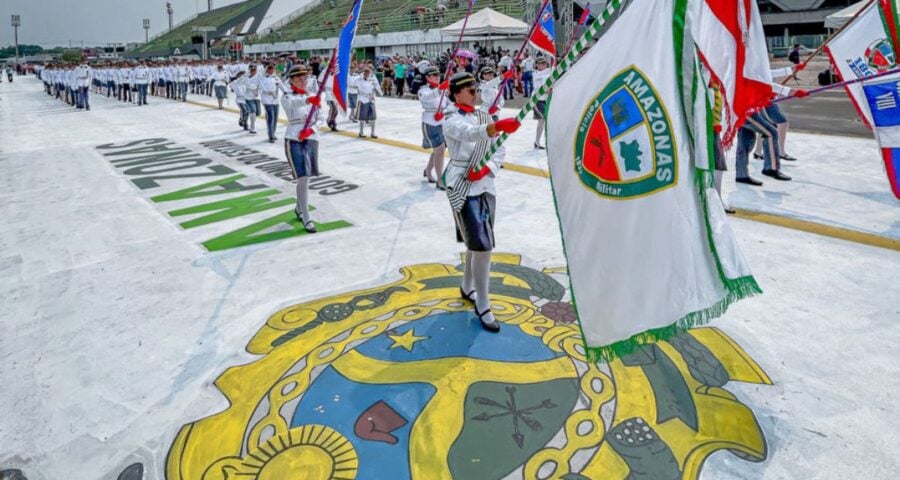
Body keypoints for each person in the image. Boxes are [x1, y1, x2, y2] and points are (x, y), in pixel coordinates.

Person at [441, 72, 521, 332]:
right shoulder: (451, 120)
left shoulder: (485, 117)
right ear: (457, 94)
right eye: (470, 90)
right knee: (483, 246)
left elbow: (499, 149)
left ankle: (467, 287)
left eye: (476, 89)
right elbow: (471, 134)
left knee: (477, 242)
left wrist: (488, 168)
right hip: (463, 184)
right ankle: (483, 303)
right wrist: (496, 126)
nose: (476, 94)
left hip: (485, 184)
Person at [282, 66, 322, 233]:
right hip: (294, 138)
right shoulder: (287, 96)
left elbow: (321, 118)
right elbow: (291, 105)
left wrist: (311, 130)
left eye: (304, 78)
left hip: (311, 137)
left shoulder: (313, 96)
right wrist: (307, 101)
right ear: (291, 80)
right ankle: (306, 215)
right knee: (303, 177)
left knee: (307, 177)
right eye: (298, 78)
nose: (302, 81)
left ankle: (299, 207)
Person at [418, 66, 449, 186]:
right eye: (434, 75)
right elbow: (426, 98)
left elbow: (449, 104)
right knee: (439, 150)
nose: (438, 77)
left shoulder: (443, 90)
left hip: (442, 121)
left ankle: (428, 170)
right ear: (427, 77)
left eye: (438, 75)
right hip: (430, 122)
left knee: (439, 150)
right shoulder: (423, 90)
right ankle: (440, 179)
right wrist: (440, 90)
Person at [261, 63, 288, 142]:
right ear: (266, 70)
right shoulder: (263, 78)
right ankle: (270, 135)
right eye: (269, 68)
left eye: (272, 68)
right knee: (270, 117)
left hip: (275, 100)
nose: (271, 70)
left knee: (275, 117)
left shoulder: (276, 78)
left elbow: (282, 87)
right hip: (267, 99)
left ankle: (273, 133)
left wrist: (287, 93)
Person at [356, 67, 383, 138]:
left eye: (369, 73)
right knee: (362, 117)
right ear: (364, 73)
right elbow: (362, 87)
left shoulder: (372, 78)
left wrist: (380, 93)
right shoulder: (359, 79)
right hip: (363, 100)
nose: (368, 75)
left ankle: (373, 133)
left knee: (373, 117)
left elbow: (377, 85)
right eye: (367, 73)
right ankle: (361, 132)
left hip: (371, 100)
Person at [532, 57, 551, 149]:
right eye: (540, 64)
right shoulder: (535, 74)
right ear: (537, 65)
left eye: (544, 64)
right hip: (538, 100)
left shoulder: (548, 74)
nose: (542, 65)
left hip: (547, 99)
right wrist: (546, 89)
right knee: (541, 122)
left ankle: (539, 141)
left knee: (546, 122)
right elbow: (537, 87)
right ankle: (537, 141)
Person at [244, 65, 262, 135]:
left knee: (258, 113)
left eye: (254, 70)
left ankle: (245, 121)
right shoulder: (246, 77)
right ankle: (252, 128)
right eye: (251, 70)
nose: (253, 71)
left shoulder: (258, 76)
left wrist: (257, 89)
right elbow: (248, 85)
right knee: (253, 112)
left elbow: (260, 84)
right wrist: (254, 89)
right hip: (249, 97)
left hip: (256, 97)